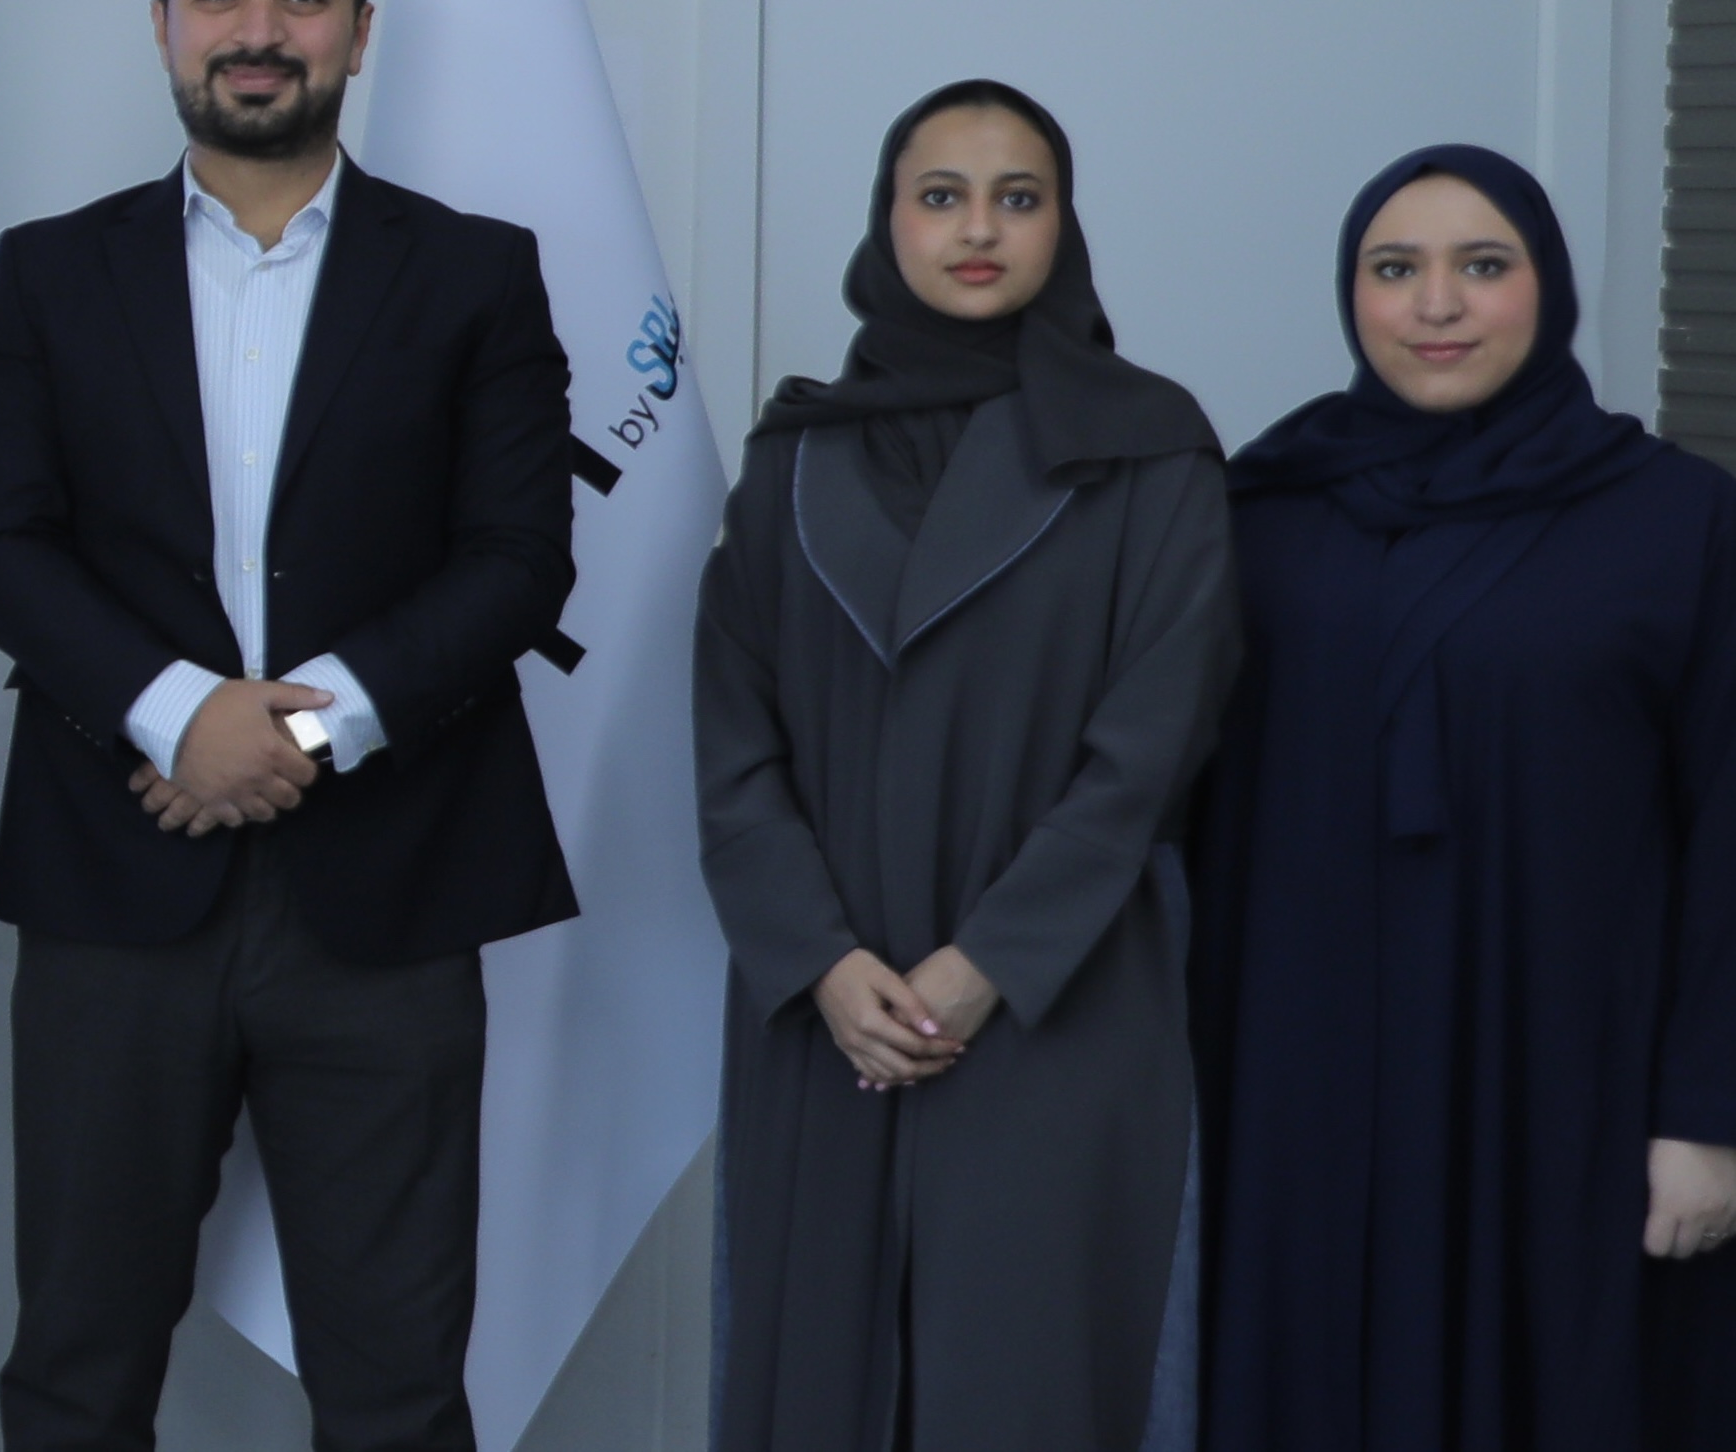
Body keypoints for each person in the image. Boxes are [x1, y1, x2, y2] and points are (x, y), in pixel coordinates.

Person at [0, 0, 577, 1452]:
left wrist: (291, 734)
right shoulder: (48, 269)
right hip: (114, 884)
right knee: (75, 1368)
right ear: (161, 20)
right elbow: (1, 548)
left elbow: (516, 562)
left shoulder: (473, 272)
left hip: (390, 890)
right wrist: (180, 720)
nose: (257, 29)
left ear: (358, 30)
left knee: (394, 1383)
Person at [690, 79, 1231, 1452]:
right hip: (835, 1011)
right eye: (940, 197)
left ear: (1064, 223)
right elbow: (733, 743)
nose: (977, 229)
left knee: (1033, 1374)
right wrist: (821, 962)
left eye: (1016, 198)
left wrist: (985, 964)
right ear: (889, 221)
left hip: (1060, 994)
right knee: (820, 1371)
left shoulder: (1151, 449)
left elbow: (1148, 749)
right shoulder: (791, 459)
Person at [1196, 144, 1736, 1451]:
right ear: (1351, 294)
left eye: (1481, 266)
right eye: (1395, 269)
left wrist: (1709, 1117)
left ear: (1546, 285)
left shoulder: (1681, 522)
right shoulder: (1256, 515)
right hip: (1298, 1091)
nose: (1435, 305)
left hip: (1568, 1089)